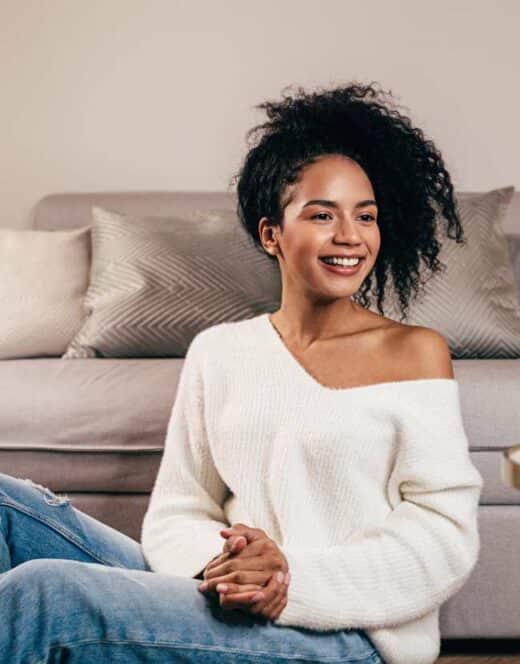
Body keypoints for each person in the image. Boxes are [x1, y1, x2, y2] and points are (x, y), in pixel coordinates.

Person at [0, 82, 484, 664]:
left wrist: (288, 578)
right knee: (8, 506)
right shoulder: (220, 351)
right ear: (271, 233)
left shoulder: (414, 352)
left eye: (366, 217)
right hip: (220, 595)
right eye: (322, 214)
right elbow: (181, 507)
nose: (350, 236)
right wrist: (225, 568)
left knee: (46, 595)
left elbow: (442, 535)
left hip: (345, 634)